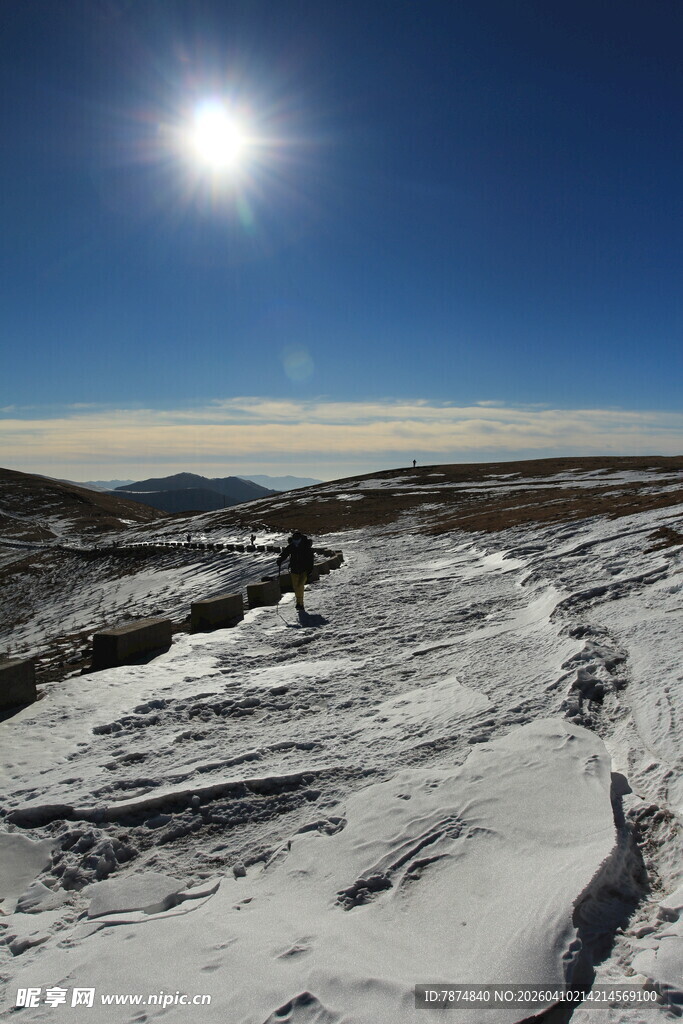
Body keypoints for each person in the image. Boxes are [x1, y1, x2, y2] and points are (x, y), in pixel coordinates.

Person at [277, 530, 314, 611]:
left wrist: (310, 570)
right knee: (296, 587)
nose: (295, 541)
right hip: (294, 569)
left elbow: (310, 559)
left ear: (300, 539)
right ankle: (299, 603)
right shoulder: (292, 546)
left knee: (300, 585)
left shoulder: (305, 546)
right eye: (294, 539)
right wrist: (280, 559)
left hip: (304, 569)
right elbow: (285, 553)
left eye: (297, 539)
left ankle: (300, 603)